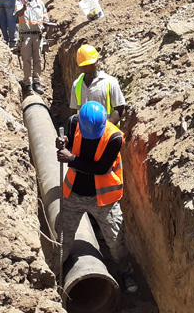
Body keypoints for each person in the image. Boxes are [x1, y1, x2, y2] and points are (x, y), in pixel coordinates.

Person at [56, 101, 138, 293]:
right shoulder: (73, 122)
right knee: (63, 238)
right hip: (74, 193)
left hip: (104, 199)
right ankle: (53, 276)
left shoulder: (114, 138)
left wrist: (71, 159)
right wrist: (62, 143)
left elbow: (100, 168)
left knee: (116, 242)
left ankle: (126, 272)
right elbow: (68, 141)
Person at [70, 45, 125, 125]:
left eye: (92, 64)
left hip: (106, 134)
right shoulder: (77, 85)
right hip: (84, 133)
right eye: (85, 66)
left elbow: (120, 108)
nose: (89, 69)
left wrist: (106, 129)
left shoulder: (110, 82)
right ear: (80, 66)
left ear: (97, 61)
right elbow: (74, 112)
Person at [14, 0, 49, 96]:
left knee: (38, 59)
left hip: (38, 36)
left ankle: (36, 82)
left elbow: (45, 18)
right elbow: (17, 14)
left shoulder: (40, 4)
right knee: (27, 60)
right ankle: (28, 83)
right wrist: (23, 9)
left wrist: (46, 25)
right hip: (26, 36)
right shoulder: (19, 2)